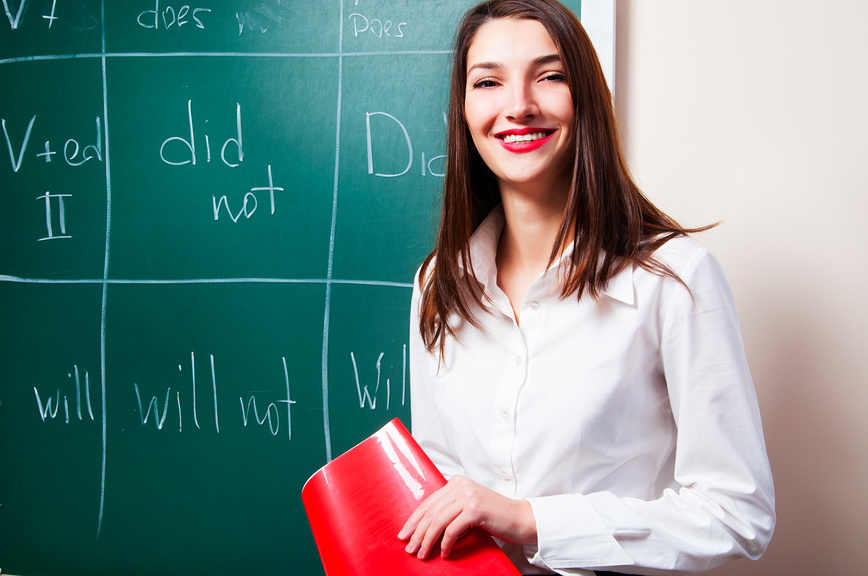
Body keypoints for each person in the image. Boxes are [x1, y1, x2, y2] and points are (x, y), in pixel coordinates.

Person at [397, 0, 776, 575]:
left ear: (587, 99)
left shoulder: (673, 279)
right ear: (465, 109)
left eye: (549, 76)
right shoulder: (438, 284)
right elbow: (441, 484)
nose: (518, 105)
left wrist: (531, 521)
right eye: (488, 82)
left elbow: (737, 513)